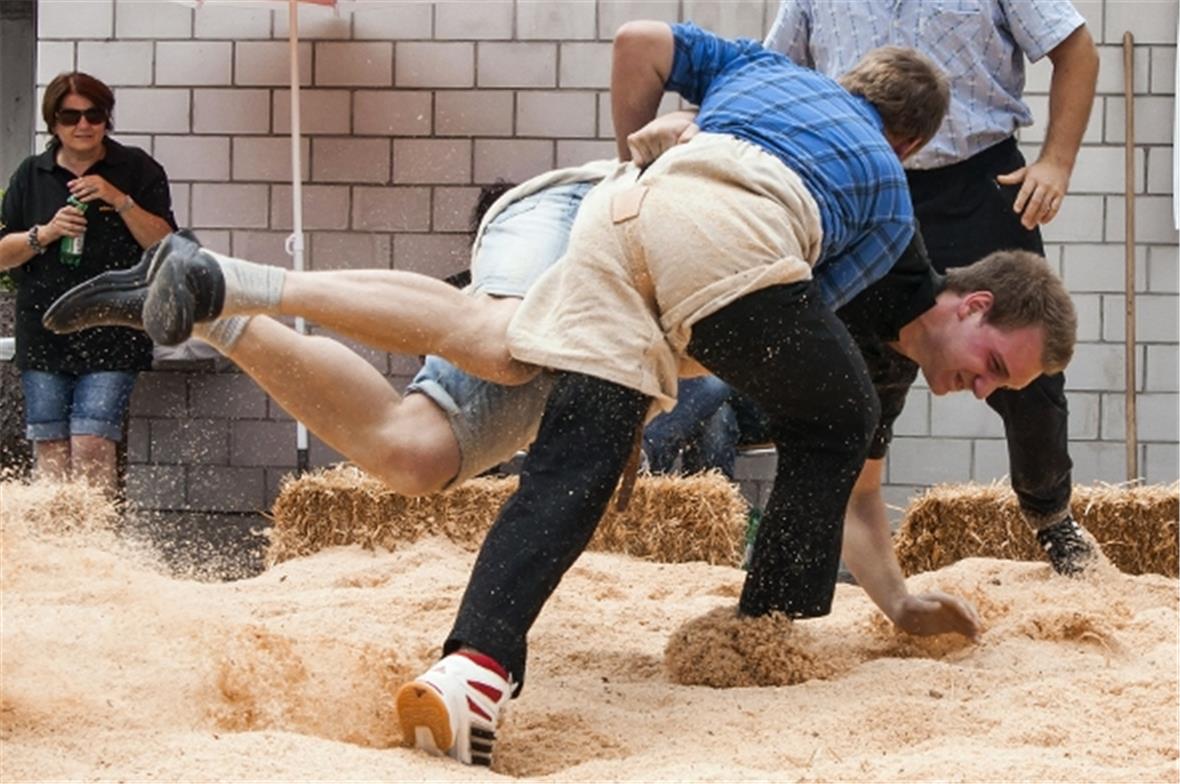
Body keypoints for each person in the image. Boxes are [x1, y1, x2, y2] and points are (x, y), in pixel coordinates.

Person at [763, 0, 1101, 575]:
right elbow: (775, 74)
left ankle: (1051, 517)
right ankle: (833, 540)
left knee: (1029, 372)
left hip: (974, 181)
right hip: (862, 180)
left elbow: (1077, 49)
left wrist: (1058, 163)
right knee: (848, 370)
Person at [0, 71, 175, 493]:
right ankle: (58, 549)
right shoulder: (32, 173)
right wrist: (46, 233)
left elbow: (166, 245)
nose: (83, 125)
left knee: (93, 440)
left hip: (115, 326)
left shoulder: (135, 168)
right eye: (70, 116)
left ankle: (96, 545)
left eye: (94, 115)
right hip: (44, 328)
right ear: (53, 121)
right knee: (52, 447)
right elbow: (4, 253)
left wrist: (120, 199)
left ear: (107, 119)